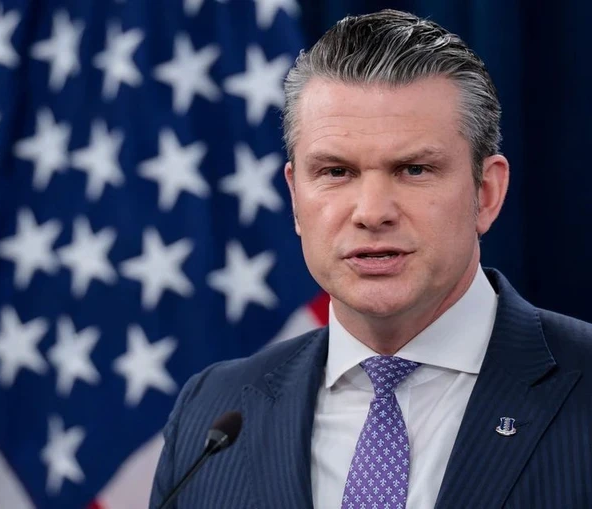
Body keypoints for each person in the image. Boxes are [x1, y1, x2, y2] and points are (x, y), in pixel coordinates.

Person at [149, 9, 592, 509]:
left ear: (486, 193)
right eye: (336, 172)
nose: (372, 212)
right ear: (295, 197)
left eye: (414, 169)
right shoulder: (211, 410)